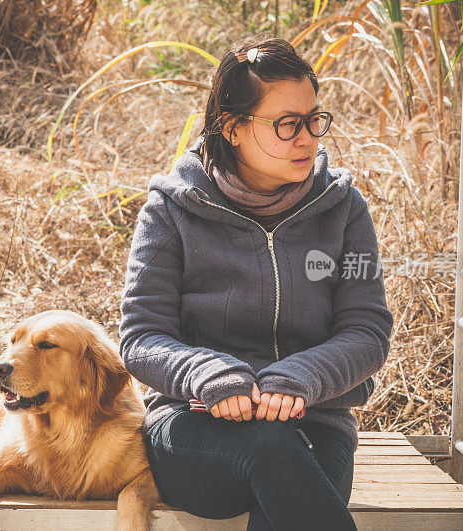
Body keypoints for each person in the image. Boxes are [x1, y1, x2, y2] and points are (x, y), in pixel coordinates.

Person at [119, 36, 394, 531]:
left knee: (289, 474)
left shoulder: (344, 208)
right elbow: (141, 337)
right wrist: (210, 373)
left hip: (314, 423)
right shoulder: (170, 210)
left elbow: (367, 333)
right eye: (287, 125)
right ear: (234, 129)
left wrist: (298, 379)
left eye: (314, 119)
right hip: (194, 427)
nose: (308, 138)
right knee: (272, 449)